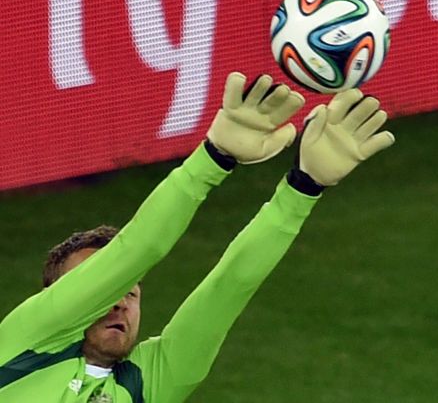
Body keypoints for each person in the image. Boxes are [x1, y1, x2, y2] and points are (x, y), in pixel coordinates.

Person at [0, 72, 395, 402]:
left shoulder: (147, 383)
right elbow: (138, 249)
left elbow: (229, 288)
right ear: (53, 296)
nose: (119, 302)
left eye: (132, 293)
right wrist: (213, 158)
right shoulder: (24, 341)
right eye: (101, 287)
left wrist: (302, 189)